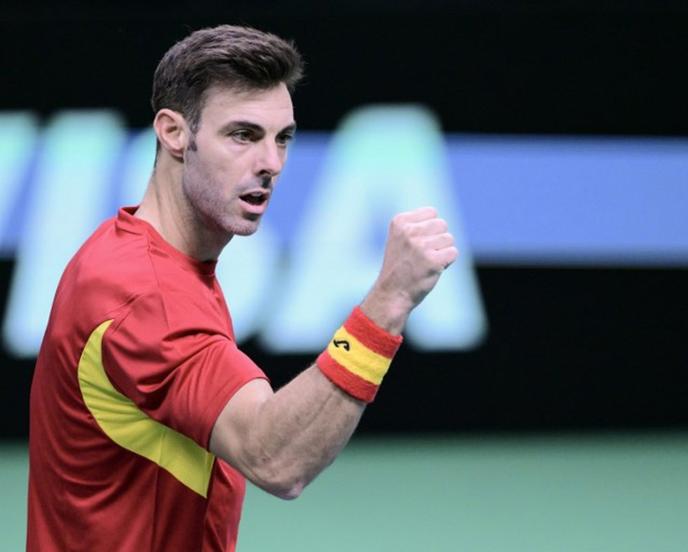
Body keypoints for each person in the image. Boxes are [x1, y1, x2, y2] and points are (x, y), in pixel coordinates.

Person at [26, 25, 457, 551]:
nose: (271, 163)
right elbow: (276, 457)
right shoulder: (146, 297)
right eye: (243, 135)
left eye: (283, 138)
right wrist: (388, 302)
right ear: (174, 133)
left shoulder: (138, 253)